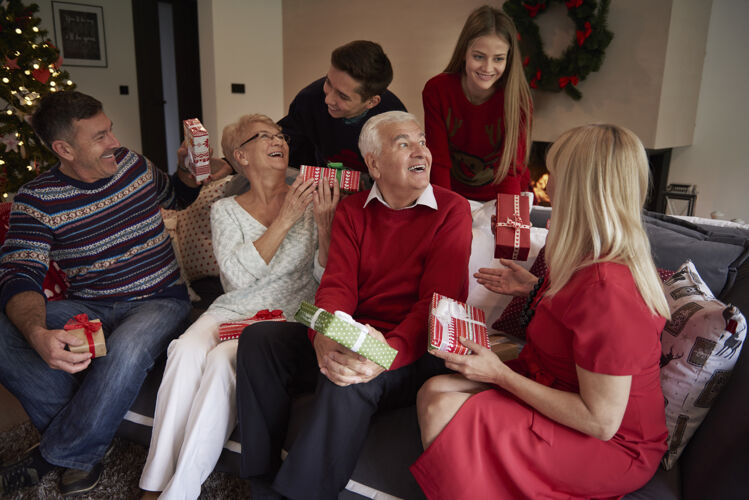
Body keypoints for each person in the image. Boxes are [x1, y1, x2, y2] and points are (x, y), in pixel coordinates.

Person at [411, 124, 671, 499]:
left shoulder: (609, 290)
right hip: (558, 389)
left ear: (584, 191)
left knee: (442, 407)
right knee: (434, 390)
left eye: (558, 177)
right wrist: (535, 290)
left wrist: (499, 374)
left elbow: (601, 423)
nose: (546, 188)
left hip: (610, 446)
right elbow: (580, 321)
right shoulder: (588, 257)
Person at [235, 111, 473, 500]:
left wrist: (381, 354)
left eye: (422, 141)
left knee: (346, 381)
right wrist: (323, 338)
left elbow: (436, 305)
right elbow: (336, 287)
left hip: (412, 350)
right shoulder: (352, 210)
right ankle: (260, 482)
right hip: (356, 333)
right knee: (261, 341)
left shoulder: (452, 210)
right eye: (404, 143)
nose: (421, 152)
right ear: (374, 163)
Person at [0, 90, 211, 496]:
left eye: (109, 130)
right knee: (5, 330)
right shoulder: (35, 201)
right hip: (90, 305)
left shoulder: (132, 165)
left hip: (160, 299)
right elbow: (19, 275)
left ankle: (54, 454)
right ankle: (82, 445)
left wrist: (188, 171)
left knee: (128, 347)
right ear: (64, 149)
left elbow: (176, 196)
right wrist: (38, 334)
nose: (115, 142)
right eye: (100, 136)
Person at [139, 114, 339, 500]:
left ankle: (179, 491)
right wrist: (284, 220)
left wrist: (325, 223)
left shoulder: (313, 198)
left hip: (284, 316)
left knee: (219, 363)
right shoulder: (225, 209)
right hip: (233, 308)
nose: (277, 139)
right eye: (264, 135)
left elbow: (324, 276)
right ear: (240, 156)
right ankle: (154, 479)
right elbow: (237, 280)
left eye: (279, 134)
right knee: (184, 350)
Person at [423, 5, 533, 201]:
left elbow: (511, 169)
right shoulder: (437, 91)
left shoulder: (519, 100)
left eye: (498, 59)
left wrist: (507, 220)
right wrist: (447, 210)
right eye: (479, 56)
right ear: (464, 51)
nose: (488, 68)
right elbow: (439, 162)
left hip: (504, 195)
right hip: (454, 193)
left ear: (508, 59)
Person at [278, 40, 407, 172]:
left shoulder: (395, 121)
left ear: (371, 102)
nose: (328, 100)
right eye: (328, 82)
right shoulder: (309, 98)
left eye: (343, 96)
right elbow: (283, 148)